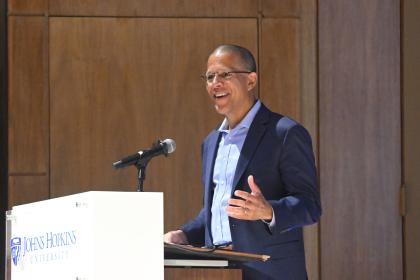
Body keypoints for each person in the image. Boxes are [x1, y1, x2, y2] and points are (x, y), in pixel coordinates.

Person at [164, 44, 322, 280]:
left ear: (251, 80)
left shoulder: (285, 133)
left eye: (225, 75)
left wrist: (269, 211)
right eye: (209, 77)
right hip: (219, 271)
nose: (215, 83)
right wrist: (184, 235)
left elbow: (310, 206)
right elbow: (217, 210)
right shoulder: (211, 142)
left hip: (270, 272)